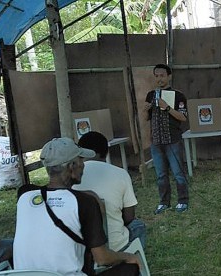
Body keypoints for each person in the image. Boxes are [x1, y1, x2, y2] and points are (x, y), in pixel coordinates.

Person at [13, 137, 140, 275]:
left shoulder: (25, 198)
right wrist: (130, 257)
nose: (83, 165)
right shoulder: (85, 202)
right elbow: (103, 258)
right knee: (131, 267)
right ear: (72, 166)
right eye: (81, 160)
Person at [73, 131, 147, 251]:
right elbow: (129, 217)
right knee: (137, 225)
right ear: (106, 152)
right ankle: (135, 264)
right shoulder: (121, 174)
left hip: (81, 248)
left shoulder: (71, 176)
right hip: (115, 246)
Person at [144, 64, 189, 214]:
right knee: (161, 175)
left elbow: (183, 117)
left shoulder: (178, 95)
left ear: (169, 76)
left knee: (178, 173)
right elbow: (145, 118)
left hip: (173, 139)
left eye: (162, 75)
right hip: (156, 141)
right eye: (156, 76)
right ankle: (164, 202)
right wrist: (146, 109)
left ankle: (182, 200)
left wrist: (167, 107)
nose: (159, 79)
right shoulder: (151, 95)